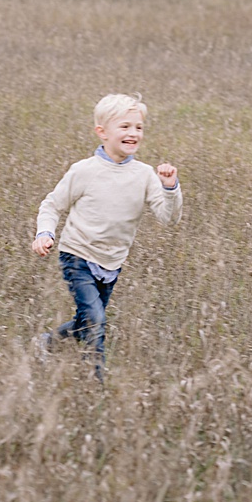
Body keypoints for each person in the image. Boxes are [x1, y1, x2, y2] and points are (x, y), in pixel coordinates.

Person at [31, 93, 182, 381]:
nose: (133, 133)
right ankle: (94, 383)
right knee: (97, 321)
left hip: (112, 261)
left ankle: (47, 342)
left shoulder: (145, 175)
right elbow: (52, 205)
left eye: (138, 127)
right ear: (102, 132)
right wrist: (45, 233)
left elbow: (168, 218)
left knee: (85, 320)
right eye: (124, 126)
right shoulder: (85, 171)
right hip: (77, 255)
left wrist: (170, 188)